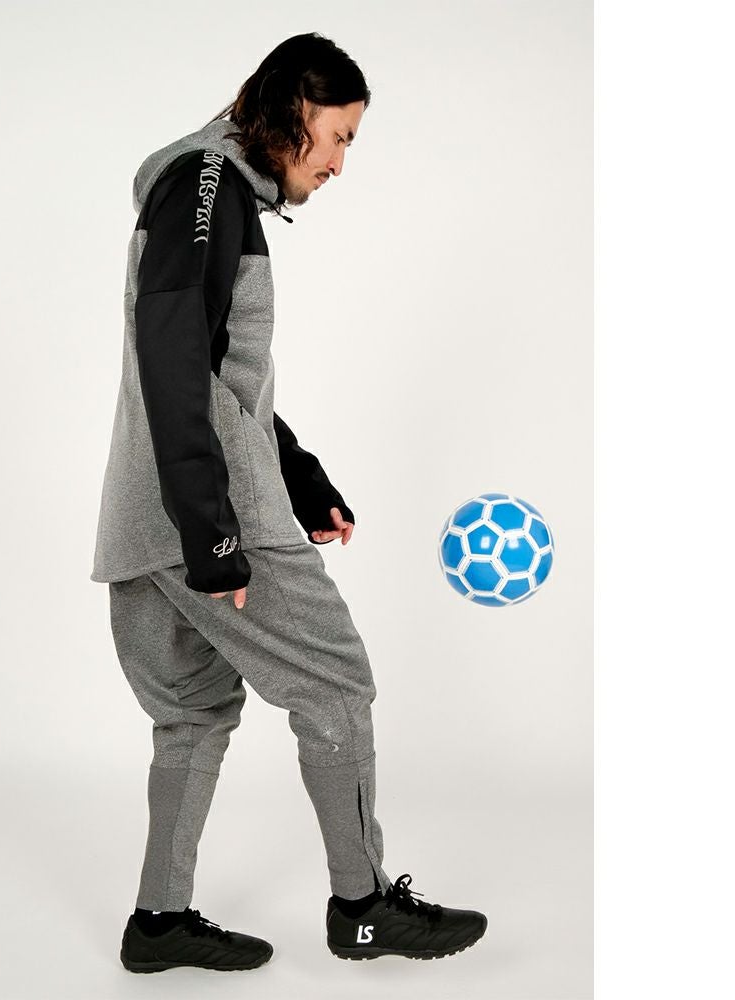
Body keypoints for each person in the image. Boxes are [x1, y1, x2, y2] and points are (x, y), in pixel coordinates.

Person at [90, 32, 487, 973]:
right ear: (291, 111)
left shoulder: (205, 190)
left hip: (144, 515)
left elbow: (214, 376)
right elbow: (173, 361)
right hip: (208, 512)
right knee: (336, 685)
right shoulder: (206, 183)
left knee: (192, 712)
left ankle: (159, 923)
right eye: (338, 136)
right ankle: (364, 908)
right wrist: (215, 534)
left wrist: (300, 477)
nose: (340, 163)